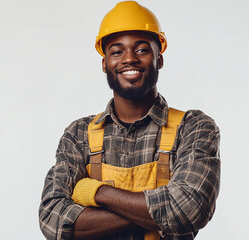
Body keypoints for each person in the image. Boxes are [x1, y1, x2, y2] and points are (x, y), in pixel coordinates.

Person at [39, 1, 220, 239]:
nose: (129, 59)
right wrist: (156, 206)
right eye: (116, 51)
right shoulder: (79, 134)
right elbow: (53, 221)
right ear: (105, 64)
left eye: (142, 49)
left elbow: (188, 210)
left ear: (159, 59)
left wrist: (97, 193)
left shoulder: (193, 128)